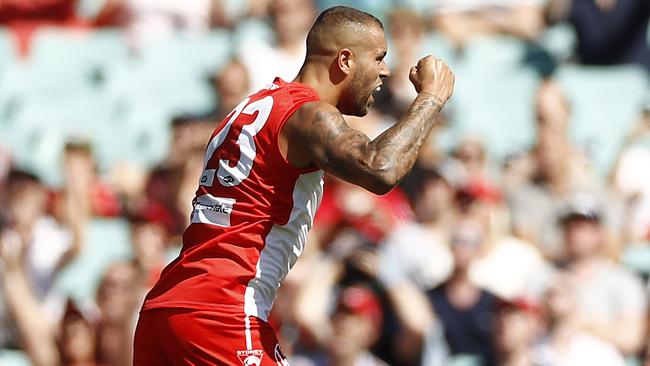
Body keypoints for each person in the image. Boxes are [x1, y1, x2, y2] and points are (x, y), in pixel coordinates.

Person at [133, 5, 455, 365]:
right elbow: (380, 168)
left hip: (166, 306)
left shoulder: (251, 107)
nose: (385, 70)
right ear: (345, 60)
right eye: (379, 57)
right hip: (222, 309)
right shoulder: (307, 115)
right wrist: (432, 98)